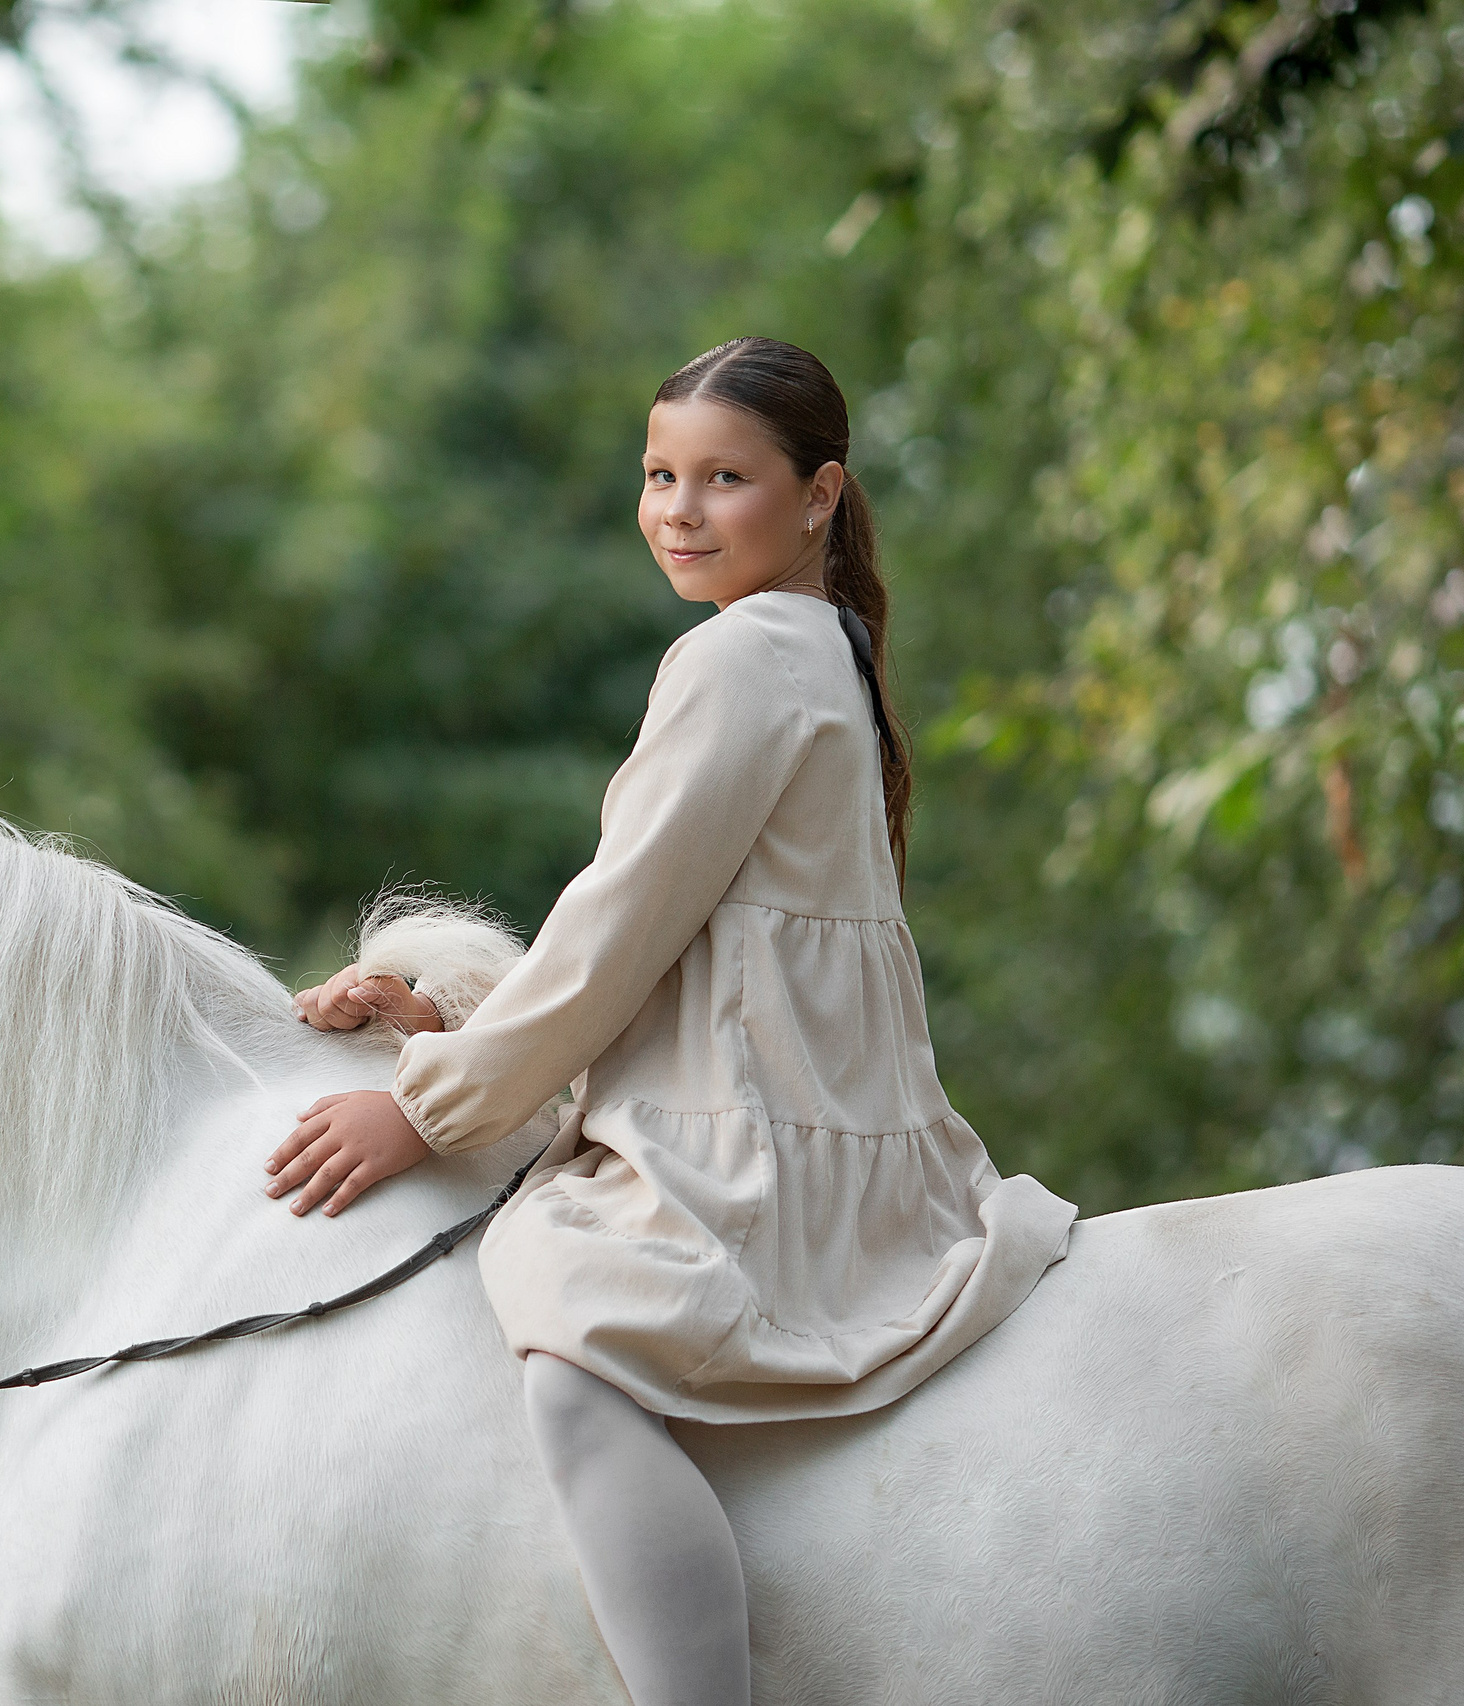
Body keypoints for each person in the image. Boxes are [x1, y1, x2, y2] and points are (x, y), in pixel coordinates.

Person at [263, 337, 1078, 1706]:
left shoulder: (742, 656)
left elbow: (619, 923)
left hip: (763, 1152)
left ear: (820, 496)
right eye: (659, 474)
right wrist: (447, 1014)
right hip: (826, 1119)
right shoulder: (814, 644)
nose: (679, 511)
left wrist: (422, 1106)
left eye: (725, 478)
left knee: (577, 1369)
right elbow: (666, 935)